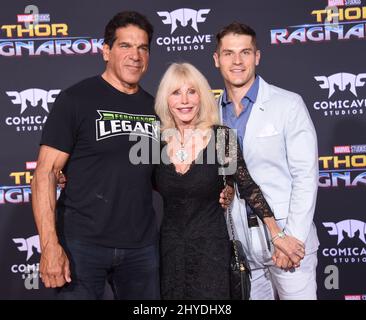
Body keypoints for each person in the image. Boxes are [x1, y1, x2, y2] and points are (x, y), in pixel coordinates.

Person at [31, 11, 161, 300]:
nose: (135, 55)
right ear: (106, 51)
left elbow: (162, 176)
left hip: (140, 247)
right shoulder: (76, 99)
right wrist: (50, 246)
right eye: (125, 46)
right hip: (81, 244)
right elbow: (45, 173)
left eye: (142, 48)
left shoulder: (157, 108)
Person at [153, 62, 306, 300]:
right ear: (166, 99)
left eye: (191, 92)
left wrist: (277, 233)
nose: (185, 100)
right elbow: (138, 184)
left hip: (211, 250)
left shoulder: (222, 137)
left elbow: (248, 187)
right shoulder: (155, 142)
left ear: (202, 97)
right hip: (170, 250)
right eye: (176, 92)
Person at [213, 22, 319, 300]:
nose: (237, 61)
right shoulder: (211, 114)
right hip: (242, 245)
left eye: (245, 52)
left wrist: (292, 239)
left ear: (257, 57)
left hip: (287, 238)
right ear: (216, 59)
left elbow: (305, 176)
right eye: (228, 53)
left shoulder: (288, 104)